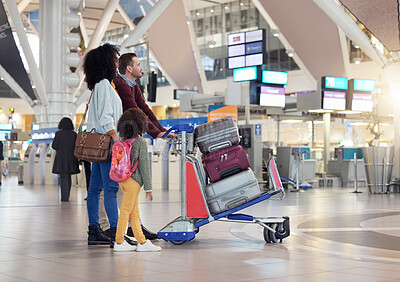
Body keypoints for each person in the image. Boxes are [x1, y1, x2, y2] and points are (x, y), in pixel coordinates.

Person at [113, 53, 173, 240]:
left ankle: (133, 225)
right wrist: (156, 133)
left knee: (129, 184)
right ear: (129, 69)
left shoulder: (133, 85)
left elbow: (145, 109)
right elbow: (136, 111)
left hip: (129, 138)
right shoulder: (121, 85)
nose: (141, 67)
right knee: (125, 184)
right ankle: (124, 230)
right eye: (138, 64)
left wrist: (162, 131)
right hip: (122, 140)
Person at [83, 43, 123, 246]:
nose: (117, 62)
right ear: (107, 61)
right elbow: (106, 118)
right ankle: (117, 233)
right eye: (115, 59)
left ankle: (94, 230)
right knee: (111, 189)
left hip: (95, 144)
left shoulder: (98, 86)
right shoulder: (105, 86)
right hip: (107, 143)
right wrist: (116, 140)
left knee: (94, 189)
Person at [113, 108, 161, 252]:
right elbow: (144, 167)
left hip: (122, 180)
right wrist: (149, 188)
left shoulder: (123, 141)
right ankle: (119, 241)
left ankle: (142, 241)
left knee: (134, 213)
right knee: (126, 212)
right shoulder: (140, 142)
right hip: (133, 182)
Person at [52, 117, 80, 201]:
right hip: (72, 157)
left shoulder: (58, 134)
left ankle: (64, 197)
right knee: (68, 176)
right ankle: (67, 195)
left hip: (61, 158)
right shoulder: (74, 134)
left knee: (63, 176)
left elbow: (54, 146)